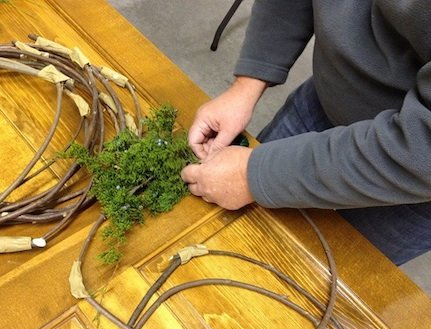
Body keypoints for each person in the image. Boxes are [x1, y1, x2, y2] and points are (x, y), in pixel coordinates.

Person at [180, 0, 431, 266]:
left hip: (410, 182)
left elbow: (422, 153)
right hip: (328, 95)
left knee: (309, 277)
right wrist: (248, 83)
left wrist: (253, 175)